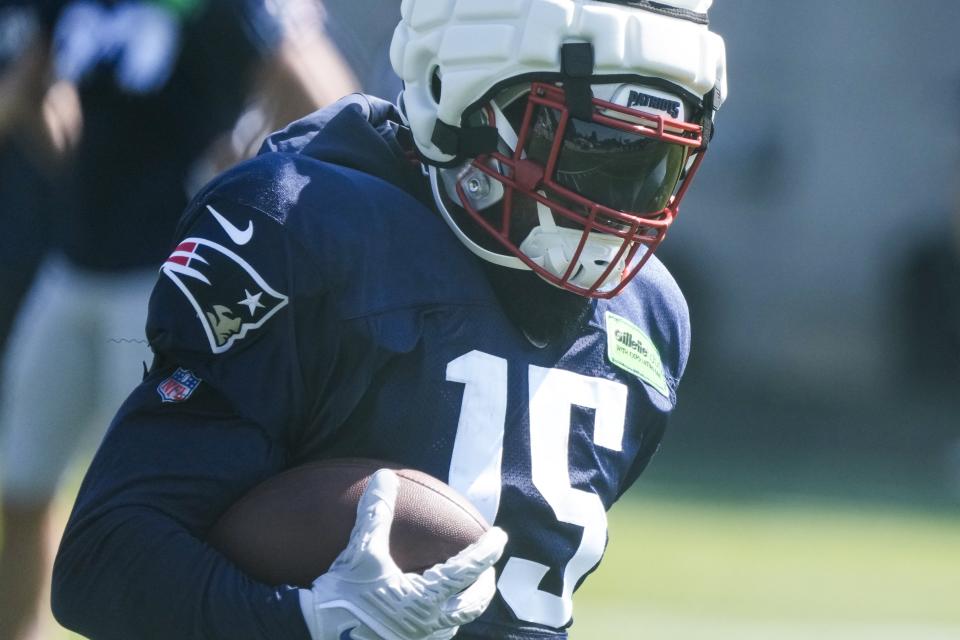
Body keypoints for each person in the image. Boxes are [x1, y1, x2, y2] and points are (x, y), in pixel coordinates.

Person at [51, 0, 728, 638]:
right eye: (590, 145)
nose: (620, 204)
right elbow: (104, 561)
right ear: (467, 93)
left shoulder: (647, 318)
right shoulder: (302, 228)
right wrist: (309, 622)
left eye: (657, 163)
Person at [0, 1, 357, 639]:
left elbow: (331, 102)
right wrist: (72, 161)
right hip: (71, 266)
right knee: (19, 489)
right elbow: (28, 89)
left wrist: (258, 170)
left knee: (153, 515)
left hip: (168, 285)